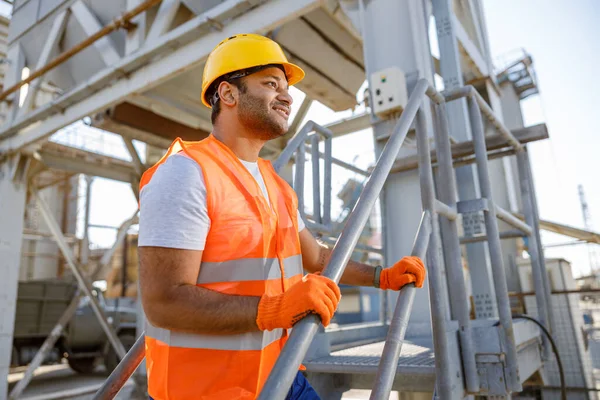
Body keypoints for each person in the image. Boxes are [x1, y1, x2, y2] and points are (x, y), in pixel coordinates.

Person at [137, 33, 426, 400]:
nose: (287, 96)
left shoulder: (276, 185)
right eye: (271, 83)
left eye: (286, 87)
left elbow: (317, 257)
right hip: (208, 390)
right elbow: (164, 302)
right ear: (228, 94)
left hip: (280, 375)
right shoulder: (185, 174)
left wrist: (381, 276)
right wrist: (276, 309)